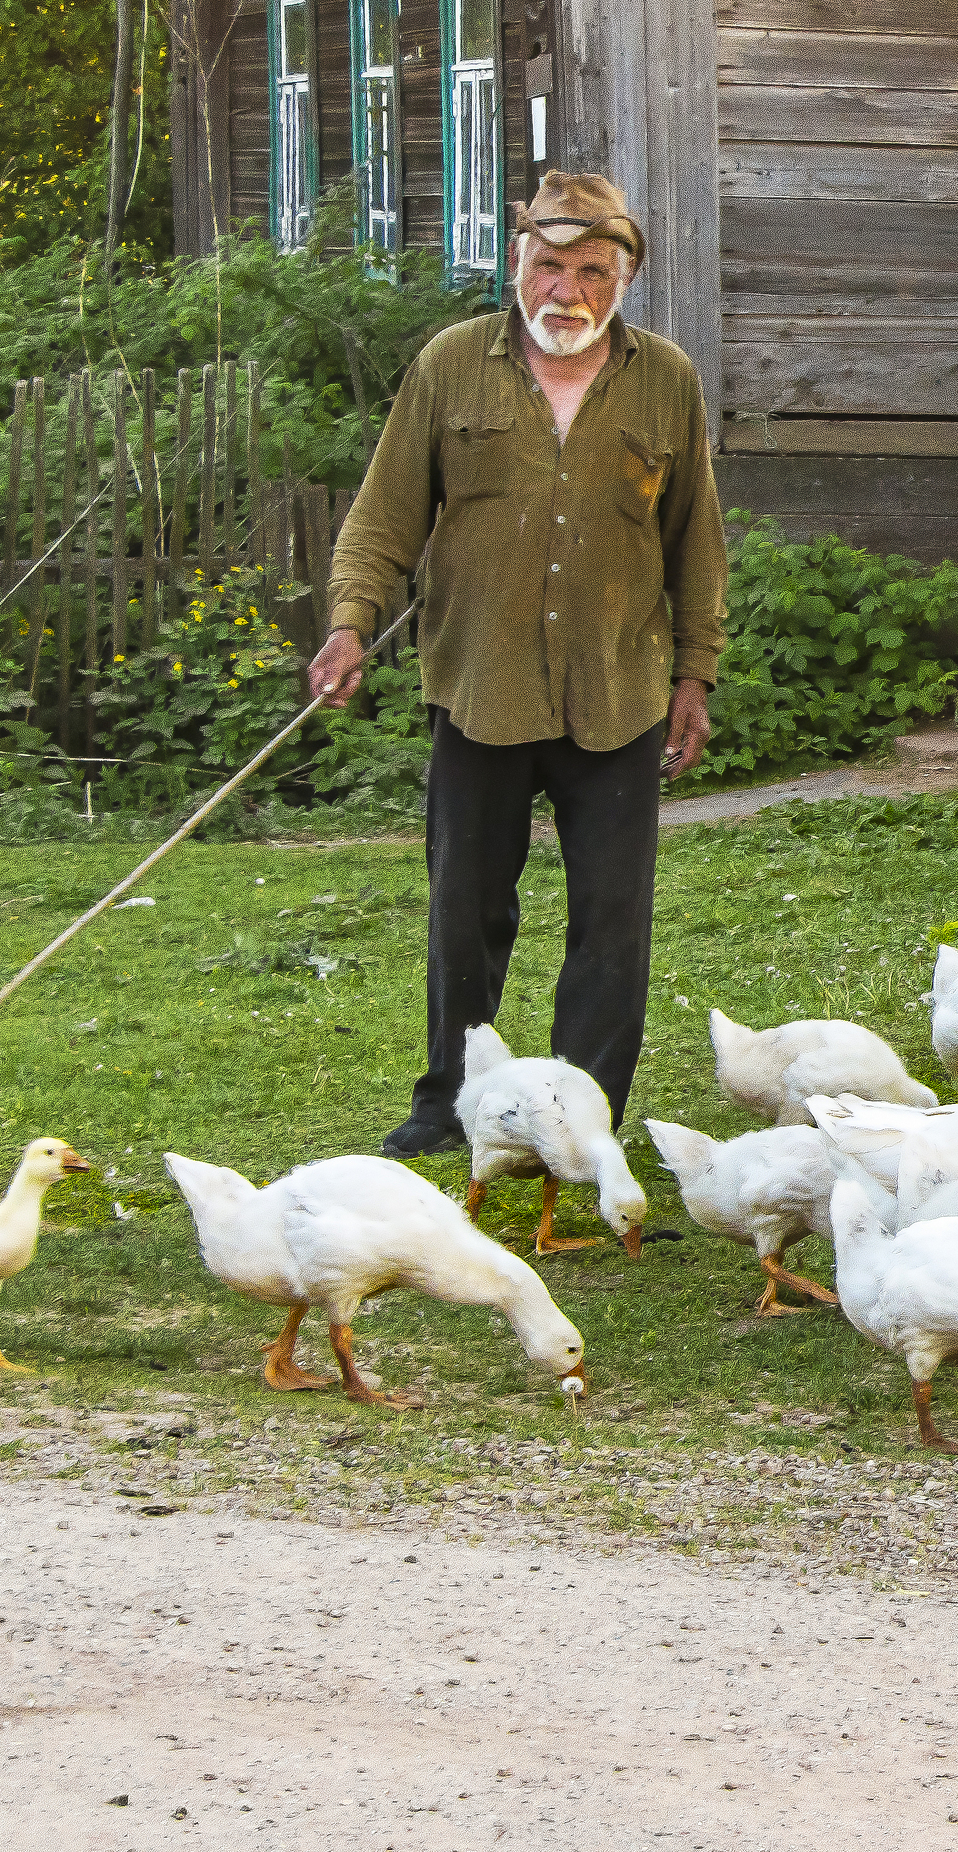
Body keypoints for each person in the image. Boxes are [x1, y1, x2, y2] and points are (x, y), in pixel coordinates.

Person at [306, 172, 727, 1158]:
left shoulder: (665, 379)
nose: (566, 292)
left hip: (619, 692)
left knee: (612, 924)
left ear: (623, 281)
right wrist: (348, 624)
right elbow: (382, 517)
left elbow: (695, 543)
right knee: (465, 911)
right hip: (478, 686)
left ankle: (581, 1119)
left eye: (591, 271)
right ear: (515, 264)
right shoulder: (451, 367)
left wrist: (694, 673)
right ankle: (451, 1100)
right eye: (549, 265)